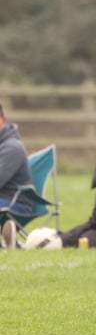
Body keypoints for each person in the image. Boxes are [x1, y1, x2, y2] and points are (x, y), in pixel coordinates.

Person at [0, 102, 32, 248]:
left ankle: (10, 237)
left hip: (15, 205)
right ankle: (12, 243)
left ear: (3, 120)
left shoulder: (12, 148)